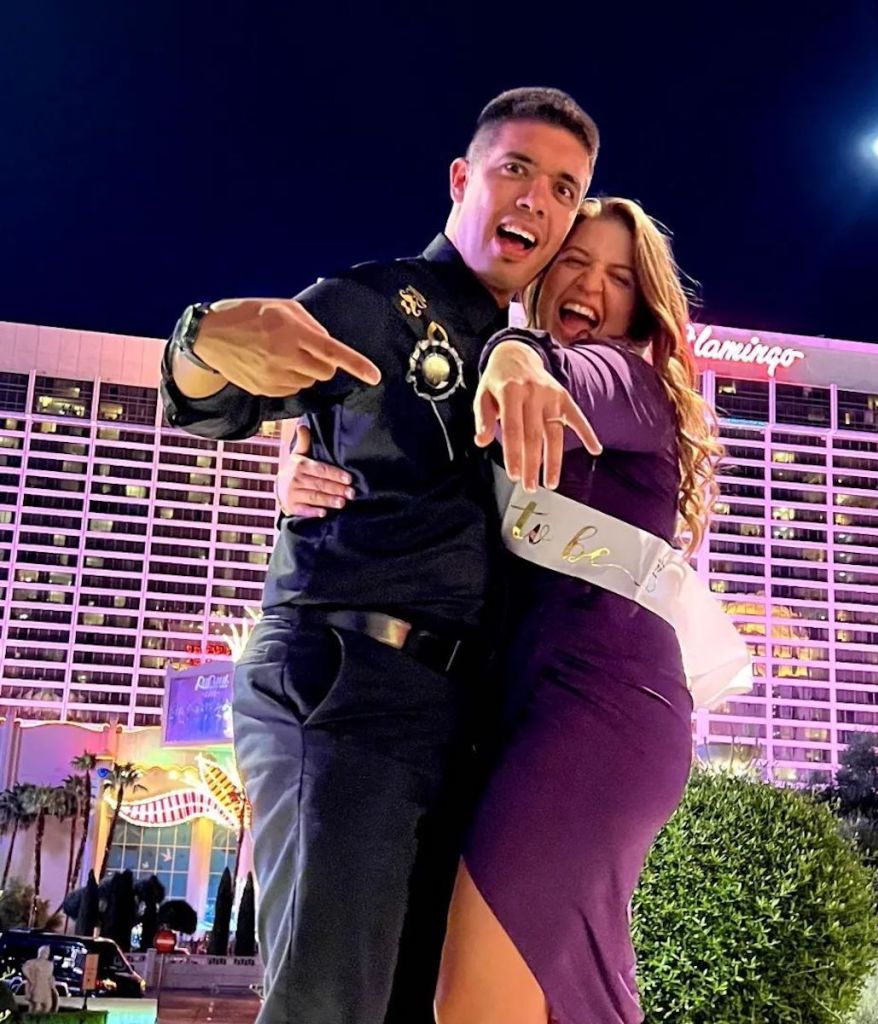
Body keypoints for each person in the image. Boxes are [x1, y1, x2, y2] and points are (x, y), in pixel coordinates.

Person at [159, 87, 602, 1024]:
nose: (536, 201)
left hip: (461, 715)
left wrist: (524, 350)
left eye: (563, 189)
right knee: (331, 1003)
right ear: (461, 178)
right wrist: (200, 337)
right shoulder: (371, 302)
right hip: (348, 683)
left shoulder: (535, 351)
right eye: (515, 169)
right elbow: (214, 403)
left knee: (409, 1003)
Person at [280, 197, 748, 1024]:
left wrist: (524, 359)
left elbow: (567, 379)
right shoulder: (486, 388)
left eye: (620, 277)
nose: (592, 288)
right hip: (526, 719)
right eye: (576, 262)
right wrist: (303, 472)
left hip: (598, 719)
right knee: (559, 1000)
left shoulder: (626, 385)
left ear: (643, 306)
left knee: (476, 1005)